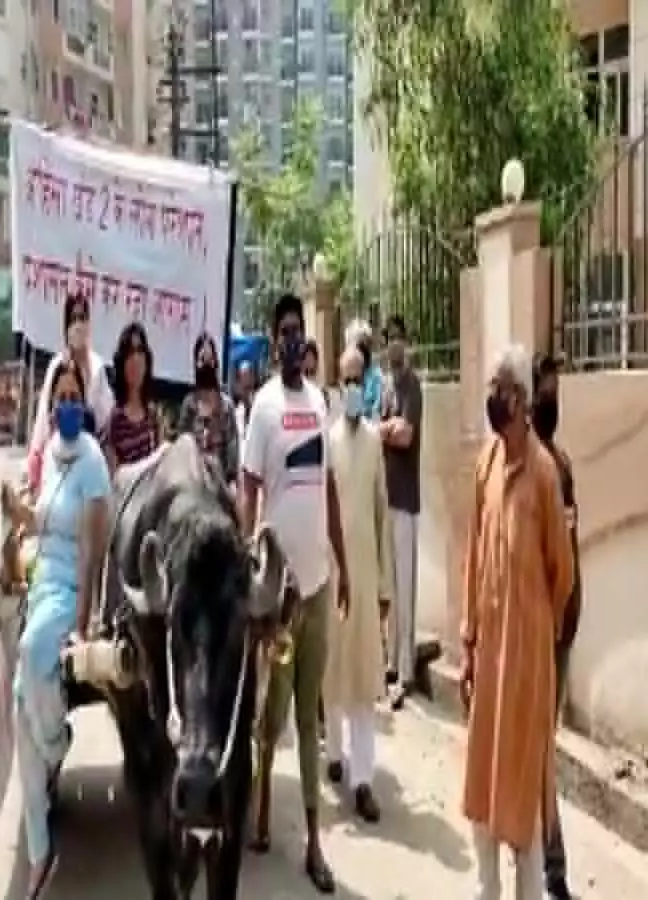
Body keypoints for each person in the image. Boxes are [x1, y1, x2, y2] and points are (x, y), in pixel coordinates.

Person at [242, 293, 350, 893]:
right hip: (280, 595)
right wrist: (247, 555)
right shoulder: (261, 409)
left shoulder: (320, 402)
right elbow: (250, 488)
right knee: (271, 714)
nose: (290, 340)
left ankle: (313, 844)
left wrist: (345, 566)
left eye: (297, 331)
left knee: (312, 719)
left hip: (317, 586)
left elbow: (328, 491)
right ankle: (259, 811)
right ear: (271, 337)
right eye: (282, 331)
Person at [461, 344, 575, 900]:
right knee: (483, 788)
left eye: (499, 389)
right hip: (489, 661)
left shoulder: (545, 475)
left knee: (525, 798)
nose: (492, 398)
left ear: (521, 401)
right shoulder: (484, 464)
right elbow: (475, 556)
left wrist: (538, 638)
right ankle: (488, 891)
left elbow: (564, 573)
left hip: (527, 667)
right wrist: (469, 636)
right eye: (490, 388)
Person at [1, 356, 110, 898]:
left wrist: (85, 622)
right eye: (59, 397)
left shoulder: (91, 461)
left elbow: (95, 549)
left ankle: (56, 739)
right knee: (20, 699)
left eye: (75, 397)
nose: (67, 405)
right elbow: (43, 521)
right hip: (42, 582)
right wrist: (18, 516)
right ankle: (41, 851)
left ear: (84, 403)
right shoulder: (50, 461)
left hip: (69, 592)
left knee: (29, 650)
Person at [323, 346, 392, 825]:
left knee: (364, 675)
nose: (350, 389)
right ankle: (333, 750)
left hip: (366, 576)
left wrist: (385, 585)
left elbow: (382, 513)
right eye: (343, 381)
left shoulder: (374, 442)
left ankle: (363, 779)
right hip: (331, 575)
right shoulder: (325, 441)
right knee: (332, 669)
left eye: (356, 380)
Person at [530, 353, 579, 900]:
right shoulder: (527, 470)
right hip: (535, 630)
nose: (551, 399)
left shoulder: (559, 466)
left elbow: (568, 563)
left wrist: (567, 617)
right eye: (546, 390)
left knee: (544, 744)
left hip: (558, 628)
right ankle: (553, 864)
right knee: (540, 747)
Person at [378, 315, 425, 708]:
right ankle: (392, 662)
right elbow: (380, 430)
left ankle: (407, 669)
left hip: (407, 500)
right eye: (389, 338)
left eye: (399, 337)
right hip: (386, 498)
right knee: (390, 588)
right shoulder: (384, 386)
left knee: (405, 588)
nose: (395, 344)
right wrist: (388, 427)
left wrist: (390, 428)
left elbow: (405, 434)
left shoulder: (411, 385)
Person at [26, 290, 112, 492]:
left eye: (82, 317)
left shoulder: (97, 367)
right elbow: (44, 420)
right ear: (66, 326)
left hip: (89, 459)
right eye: (73, 318)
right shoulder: (57, 366)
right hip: (58, 459)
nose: (78, 324)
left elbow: (107, 420)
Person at [176, 332, 238, 483]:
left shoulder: (226, 405)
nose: (206, 363)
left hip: (220, 484)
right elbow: (182, 445)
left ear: (216, 361)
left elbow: (232, 446)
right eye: (201, 359)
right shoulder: (189, 404)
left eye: (209, 358)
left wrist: (231, 480)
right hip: (194, 483)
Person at [102, 322, 161, 471]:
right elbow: (114, 479)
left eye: (140, 351)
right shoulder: (115, 420)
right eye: (129, 353)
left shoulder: (153, 416)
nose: (135, 360)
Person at [345, 318, 385, 419]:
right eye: (360, 344)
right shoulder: (350, 373)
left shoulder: (376, 374)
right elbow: (352, 411)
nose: (364, 347)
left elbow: (377, 409)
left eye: (367, 342)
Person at [233, 360, 258, 447]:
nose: (247, 393)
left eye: (249, 387)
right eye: (245, 388)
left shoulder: (262, 411)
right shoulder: (233, 414)